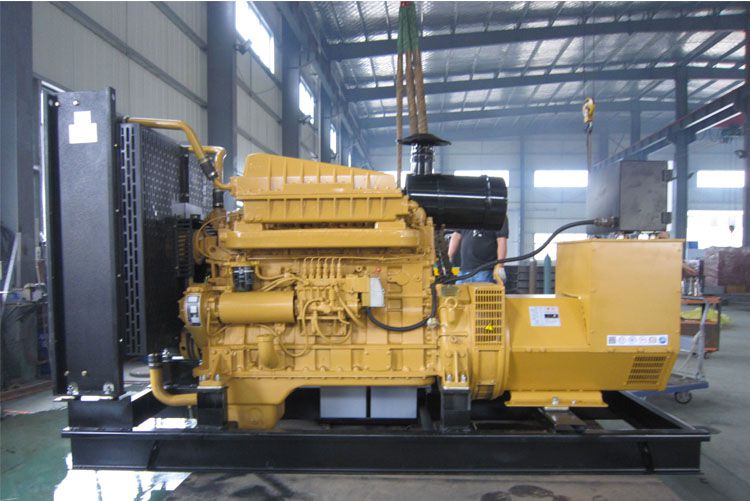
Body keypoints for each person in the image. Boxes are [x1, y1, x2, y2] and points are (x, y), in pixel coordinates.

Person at [448, 218, 509, 284]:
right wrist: (448, 258)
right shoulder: (466, 215)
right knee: (457, 291)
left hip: (485, 271)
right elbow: (456, 236)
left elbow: (501, 240)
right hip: (463, 271)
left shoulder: (498, 215)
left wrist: (500, 266)